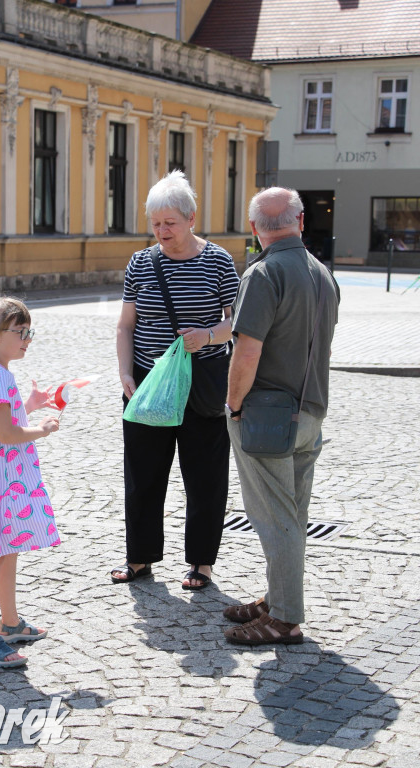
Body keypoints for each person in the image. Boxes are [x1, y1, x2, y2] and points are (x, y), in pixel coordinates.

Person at [112, 170, 239, 589]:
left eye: (170, 222)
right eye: (155, 223)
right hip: (148, 383)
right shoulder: (141, 262)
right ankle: (140, 558)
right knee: (143, 473)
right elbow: (126, 324)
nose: (161, 231)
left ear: (191, 219)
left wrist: (207, 336)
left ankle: (201, 563)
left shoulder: (217, 260)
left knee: (204, 475)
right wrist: (126, 372)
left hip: (201, 382)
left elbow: (236, 322)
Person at [224, 187, 340, 645]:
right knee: (291, 513)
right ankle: (277, 599)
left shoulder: (265, 272)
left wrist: (233, 406)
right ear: (301, 222)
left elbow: (246, 352)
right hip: (310, 410)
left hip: (269, 417)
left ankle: (285, 617)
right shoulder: (322, 273)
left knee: (277, 519)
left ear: (254, 229)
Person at [0, 296, 61, 668]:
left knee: (9, 546)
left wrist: (28, 405)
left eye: (28, 331)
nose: (27, 339)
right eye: (20, 332)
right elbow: (6, 433)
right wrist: (43, 428)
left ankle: (11, 622)